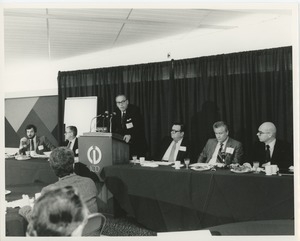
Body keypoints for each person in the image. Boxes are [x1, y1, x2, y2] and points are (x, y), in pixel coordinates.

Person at [19, 147, 98, 220]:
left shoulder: (48, 191)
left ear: (53, 168)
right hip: (92, 232)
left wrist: (25, 208)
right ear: (73, 165)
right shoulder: (90, 182)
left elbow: (36, 219)